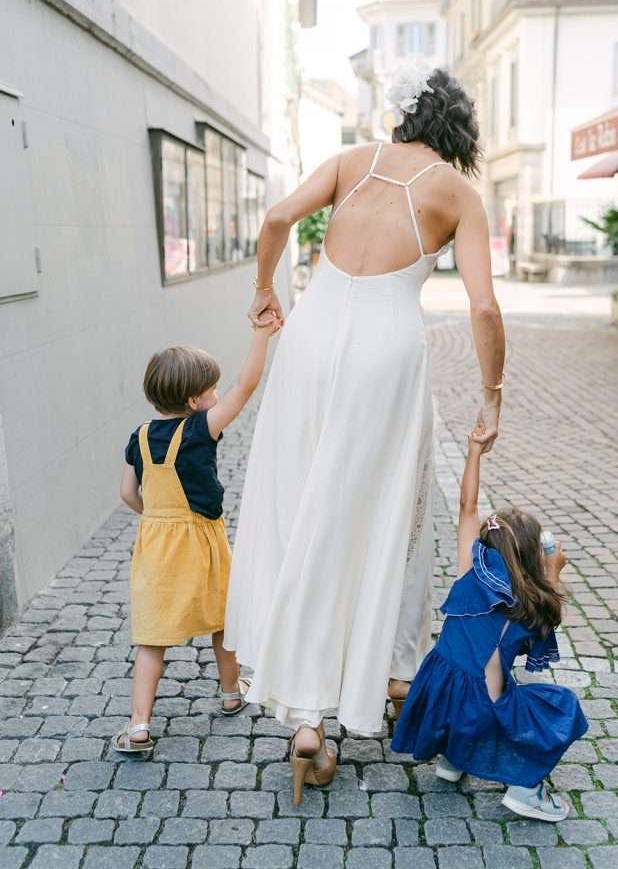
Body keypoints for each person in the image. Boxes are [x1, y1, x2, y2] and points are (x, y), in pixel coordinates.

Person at [224, 62, 506, 803]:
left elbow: (278, 219)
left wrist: (262, 291)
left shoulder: (351, 162)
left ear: (399, 117)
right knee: (370, 517)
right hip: (387, 352)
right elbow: (482, 310)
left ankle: (304, 716)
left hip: (311, 337)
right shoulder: (458, 192)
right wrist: (492, 393)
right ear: (458, 131)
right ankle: (354, 684)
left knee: (300, 502)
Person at [391, 422, 588, 822]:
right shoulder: (531, 603)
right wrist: (554, 571)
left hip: (438, 691)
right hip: (482, 701)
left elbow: (466, 508)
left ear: (487, 544)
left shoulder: (470, 571)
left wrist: (475, 451)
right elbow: (550, 615)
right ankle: (525, 790)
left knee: (477, 682)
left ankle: (452, 759)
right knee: (560, 706)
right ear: (532, 558)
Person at [114, 325, 280, 754]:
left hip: (156, 542)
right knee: (222, 619)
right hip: (201, 540)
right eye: (212, 390)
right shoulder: (200, 429)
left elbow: (128, 494)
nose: (218, 394)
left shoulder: (139, 436)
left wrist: (156, 519)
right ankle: (229, 692)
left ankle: (138, 725)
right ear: (194, 402)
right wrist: (262, 335)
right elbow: (247, 385)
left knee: (151, 637)